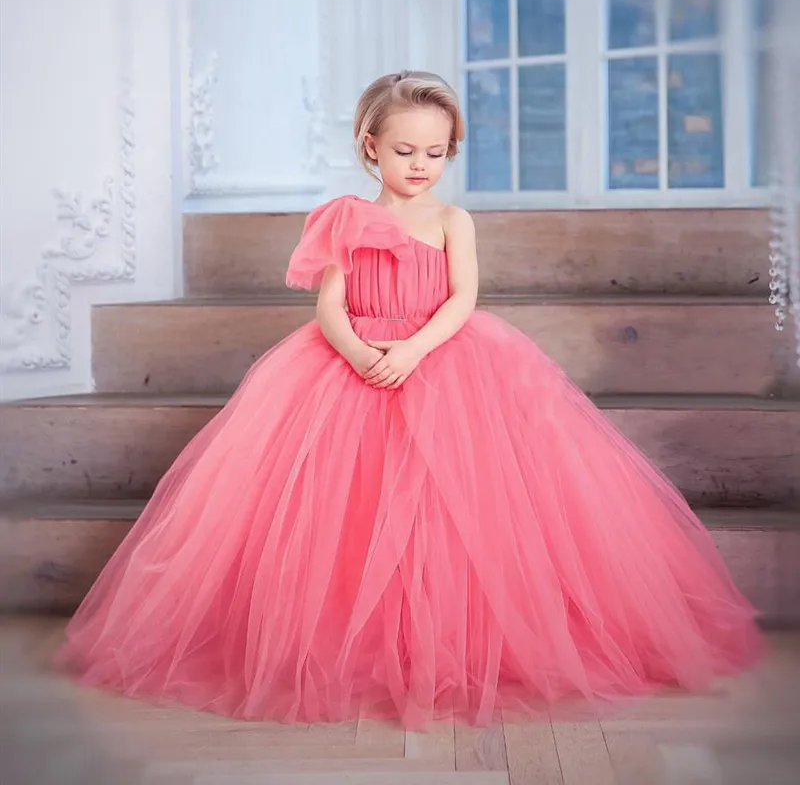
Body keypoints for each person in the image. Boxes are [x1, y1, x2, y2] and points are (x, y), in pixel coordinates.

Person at [55, 70, 763, 730]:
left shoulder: (453, 220)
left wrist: (415, 350)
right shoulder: (342, 220)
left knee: (456, 513)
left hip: (443, 362)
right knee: (353, 509)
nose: (421, 165)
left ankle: (454, 646)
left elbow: (464, 298)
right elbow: (328, 305)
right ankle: (350, 646)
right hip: (351, 364)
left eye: (436, 151)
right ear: (370, 147)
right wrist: (361, 352)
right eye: (405, 150)